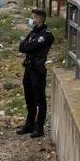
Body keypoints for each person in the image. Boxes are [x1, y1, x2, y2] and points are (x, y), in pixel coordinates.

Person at [18, 8, 54, 138]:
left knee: (39, 99)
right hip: (29, 68)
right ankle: (29, 124)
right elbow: (22, 46)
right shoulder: (34, 32)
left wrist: (29, 45)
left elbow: (31, 46)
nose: (33, 18)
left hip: (37, 70)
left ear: (40, 18)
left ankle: (39, 127)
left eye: (35, 16)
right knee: (29, 97)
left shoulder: (46, 34)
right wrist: (29, 45)